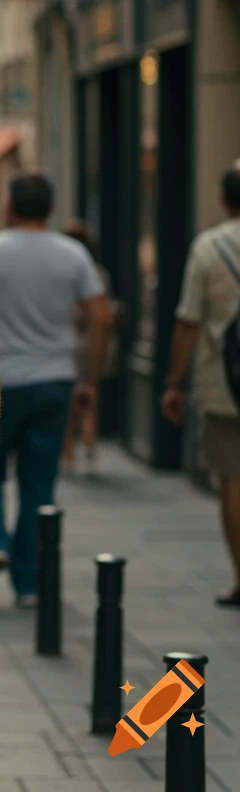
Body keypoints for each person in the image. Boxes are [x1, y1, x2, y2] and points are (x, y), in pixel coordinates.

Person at [0, 174, 112, 606]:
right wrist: (89, 379)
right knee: (39, 485)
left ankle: (0, 543)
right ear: (50, 208)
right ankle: (29, 585)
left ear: (9, 205)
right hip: (54, 381)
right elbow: (101, 317)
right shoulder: (73, 255)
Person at [162, 166, 240, 608]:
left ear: (225, 199)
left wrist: (174, 383)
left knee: (232, 479)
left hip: (225, 384)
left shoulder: (210, 247)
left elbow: (188, 321)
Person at [60, 219, 114, 477]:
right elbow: (104, 314)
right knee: (90, 390)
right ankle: (89, 441)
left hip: (68, 340)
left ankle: (69, 449)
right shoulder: (97, 272)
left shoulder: (63, 267)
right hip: (90, 340)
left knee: (70, 396)